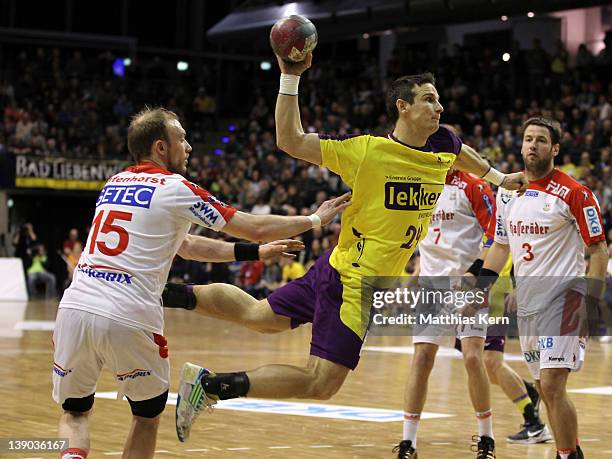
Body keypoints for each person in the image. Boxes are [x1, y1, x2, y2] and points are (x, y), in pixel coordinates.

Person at [163, 53, 528, 456]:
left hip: (334, 265)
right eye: (428, 99)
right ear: (402, 107)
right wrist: (289, 76)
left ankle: (168, 292)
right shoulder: (364, 152)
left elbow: (463, 152)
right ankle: (210, 386)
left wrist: (496, 177)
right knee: (322, 382)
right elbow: (289, 140)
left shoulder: (441, 143)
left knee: (260, 316)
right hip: (353, 285)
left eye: (438, 100)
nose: (438, 107)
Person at [52, 107, 349, 459]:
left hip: (74, 307)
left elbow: (188, 246)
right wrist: (315, 218)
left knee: (75, 412)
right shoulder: (175, 187)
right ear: (161, 148)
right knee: (146, 417)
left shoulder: (114, 184)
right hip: (129, 313)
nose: (189, 146)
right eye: (182, 138)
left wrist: (254, 253)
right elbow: (251, 225)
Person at [474, 117, 608, 459]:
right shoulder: (508, 192)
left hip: (565, 300)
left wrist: (589, 304)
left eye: (541, 140)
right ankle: (570, 451)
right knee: (543, 390)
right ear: (520, 145)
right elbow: (500, 246)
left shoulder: (575, 193)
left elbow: (598, 250)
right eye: (528, 139)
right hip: (529, 304)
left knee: (551, 384)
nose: (533, 145)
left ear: (555, 149)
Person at [399, 165, 550, 458]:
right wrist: (413, 276)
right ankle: (408, 442)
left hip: (484, 286)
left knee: (482, 359)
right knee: (432, 358)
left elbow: (497, 241)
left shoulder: (475, 187)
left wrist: (476, 276)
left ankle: (518, 424)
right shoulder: (418, 186)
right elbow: (428, 239)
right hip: (436, 287)